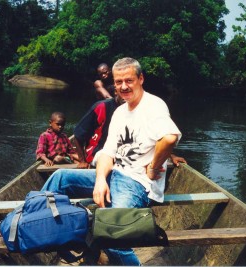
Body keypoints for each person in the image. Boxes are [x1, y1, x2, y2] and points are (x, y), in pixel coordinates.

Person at [41, 57, 182, 265]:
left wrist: (153, 167)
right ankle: (29, 221)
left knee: (111, 235)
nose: (123, 86)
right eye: (118, 82)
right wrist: (100, 180)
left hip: (137, 184)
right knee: (60, 177)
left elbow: (170, 137)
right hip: (114, 174)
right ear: (113, 83)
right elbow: (107, 153)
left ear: (140, 79)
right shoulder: (120, 112)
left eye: (129, 80)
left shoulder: (153, 106)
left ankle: (98, 243)